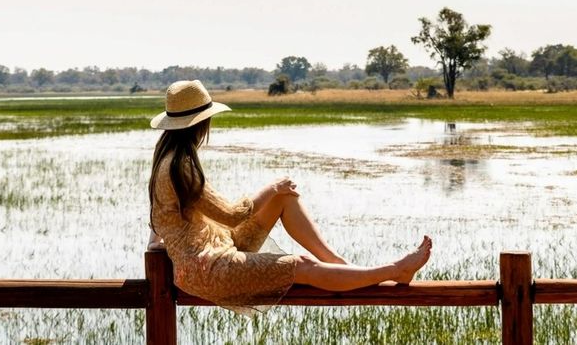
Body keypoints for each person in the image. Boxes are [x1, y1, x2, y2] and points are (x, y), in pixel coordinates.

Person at [147, 80, 432, 312]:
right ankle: (395, 270)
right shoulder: (178, 167)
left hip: (216, 249)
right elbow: (232, 216)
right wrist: (271, 187)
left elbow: (160, 219)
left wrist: (161, 242)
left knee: (284, 198)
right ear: (200, 124)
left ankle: (338, 265)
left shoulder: (169, 158)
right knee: (301, 265)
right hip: (207, 270)